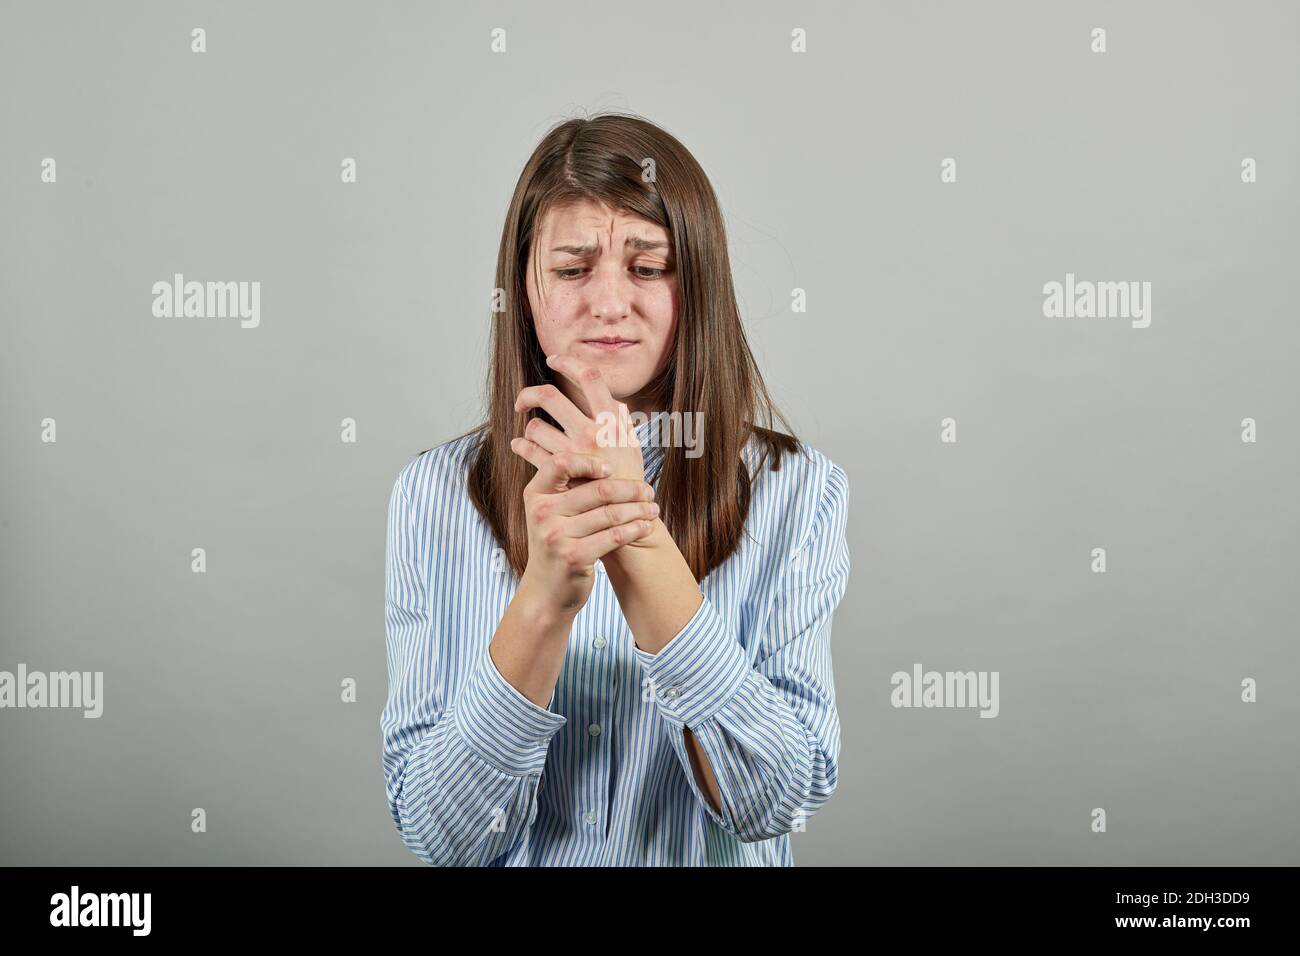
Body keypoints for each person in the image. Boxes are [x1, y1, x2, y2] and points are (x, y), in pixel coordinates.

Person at [380, 112, 851, 866]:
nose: (607, 304)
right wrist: (542, 602)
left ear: (694, 284)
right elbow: (442, 839)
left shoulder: (797, 492)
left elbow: (776, 801)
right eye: (572, 270)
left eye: (647, 266)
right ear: (525, 291)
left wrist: (635, 531)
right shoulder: (433, 496)